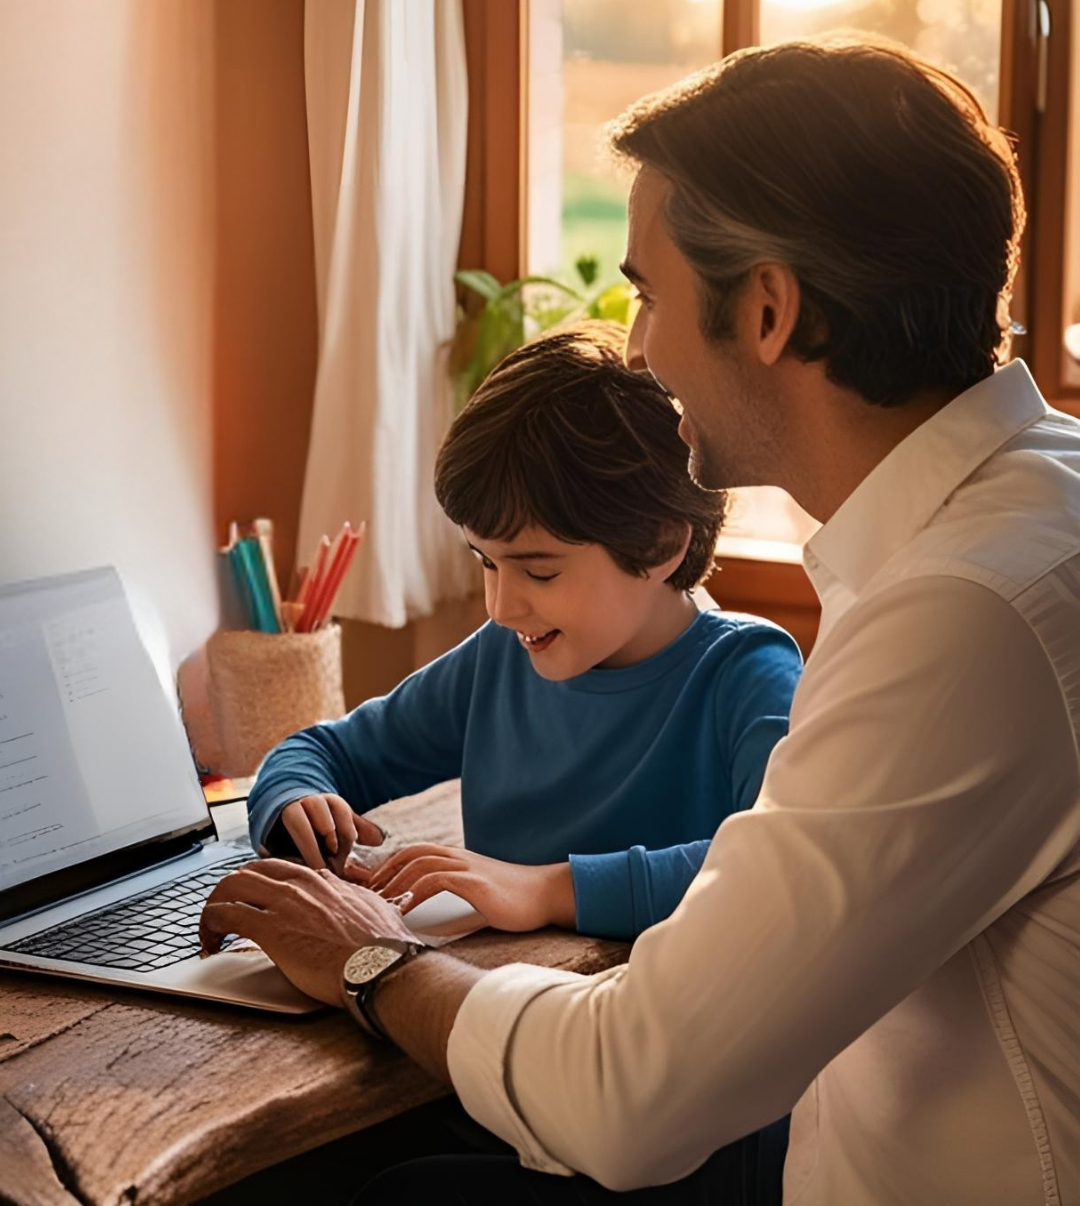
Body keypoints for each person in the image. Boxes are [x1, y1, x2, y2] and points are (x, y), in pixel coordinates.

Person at [201, 36, 1080, 1206]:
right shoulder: (1021, 517)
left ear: (767, 309)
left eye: (650, 295)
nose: (641, 348)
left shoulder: (963, 615)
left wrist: (366, 957)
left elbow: (632, 1095)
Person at [245, 321, 801, 944]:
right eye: (486, 561)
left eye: (538, 570)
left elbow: (776, 867)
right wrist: (297, 798)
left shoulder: (749, 673)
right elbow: (322, 752)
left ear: (661, 543)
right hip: (490, 993)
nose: (502, 606)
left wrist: (544, 888)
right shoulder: (499, 659)